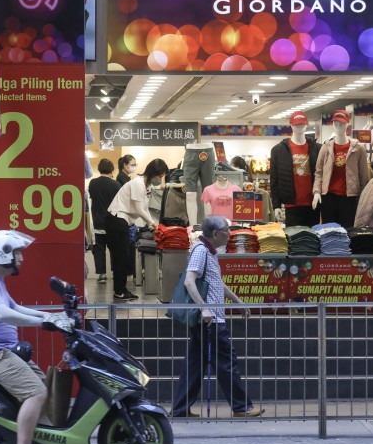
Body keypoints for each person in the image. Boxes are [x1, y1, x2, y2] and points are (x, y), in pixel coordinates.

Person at [0, 230, 74, 444]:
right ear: (2, 253)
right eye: (18, 253)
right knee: (36, 393)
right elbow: (3, 314)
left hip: (4, 350)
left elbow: (14, 307)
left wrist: (52, 317)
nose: (22, 258)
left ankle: (44, 443)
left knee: (44, 387)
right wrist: (43, 323)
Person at [170, 215, 264, 418]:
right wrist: (204, 308)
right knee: (226, 361)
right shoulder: (201, 251)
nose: (229, 235)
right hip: (210, 320)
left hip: (210, 318)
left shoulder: (209, 252)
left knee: (195, 364)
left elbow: (215, 283)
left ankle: (180, 409)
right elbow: (189, 281)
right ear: (215, 234)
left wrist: (237, 301)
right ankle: (241, 407)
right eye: (226, 232)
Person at [106, 158, 168, 301]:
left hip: (123, 221)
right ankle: (119, 291)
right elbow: (139, 210)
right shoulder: (137, 184)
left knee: (123, 257)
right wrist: (154, 224)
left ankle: (121, 290)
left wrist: (153, 224)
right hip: (116, 219)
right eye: (159, 176)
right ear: (153, 173)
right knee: (120, 257)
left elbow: (144, 208)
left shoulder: (146, 186)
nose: (160, 179)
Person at [87, 158, 120, 284]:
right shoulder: (116, 185)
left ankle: (102, 275)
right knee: (114, 249)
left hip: (97, 222)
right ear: (112, 169)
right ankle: (115, 272)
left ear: (99, 169)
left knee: (99, 249)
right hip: (112, 222)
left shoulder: (93, 183)